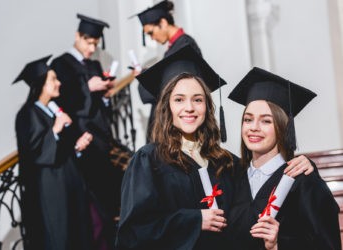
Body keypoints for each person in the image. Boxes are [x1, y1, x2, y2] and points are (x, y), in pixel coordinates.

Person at [116, 45, 314, 249]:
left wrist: (305, 165)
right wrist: (194, 220)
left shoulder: (226, 162)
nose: (190, 108)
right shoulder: (149, 161)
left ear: (207, 106)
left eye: (198, 99)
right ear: (167, 107)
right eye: (179, 100)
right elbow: (133, 233)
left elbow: (252, 213)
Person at [227, 67, 341, 250]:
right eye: (248, 119)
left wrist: (278, 245)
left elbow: (328, 245)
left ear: (283, 127)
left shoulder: (302, 180)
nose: (254, 127)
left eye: (266, 121)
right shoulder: (232, 177)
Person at [50, 14, 125, 249]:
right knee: (94, 204)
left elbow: (97, 102)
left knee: (111, 195)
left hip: (101, 137)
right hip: (81, 140)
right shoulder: (61, 64)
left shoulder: (93, 65)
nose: (92, 48)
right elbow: (60, 102)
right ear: (77, 37)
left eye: (95, 43)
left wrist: (103, 96)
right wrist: (86, 86)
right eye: (88, 42)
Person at [14, 55, 94, 250]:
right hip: (51, 188)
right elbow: (33, 152)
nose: (59, 83)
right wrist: (55, 130)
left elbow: (59, 148)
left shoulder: (52, 110)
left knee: (78, 231)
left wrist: (76, 147)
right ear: (40, 84)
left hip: (69, 181)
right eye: (53, 79)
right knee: (60, 234)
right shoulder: (27, 114)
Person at [130, 0, 203, 142]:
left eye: (151, 32)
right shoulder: (175, 47)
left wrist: (145, 78)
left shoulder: (185, 46)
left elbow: (169, 87)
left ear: (162, 23)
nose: (152, 38)